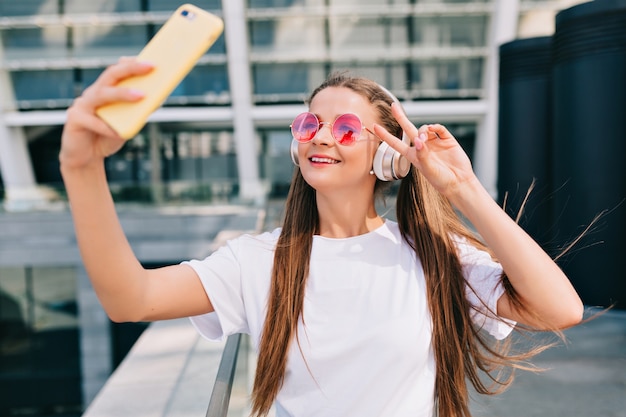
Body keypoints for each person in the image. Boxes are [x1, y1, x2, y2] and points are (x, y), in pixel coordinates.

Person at [59, 59, 584, 417]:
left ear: (384, 158)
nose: (324, 136)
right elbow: (131, 299)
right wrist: (81, 168)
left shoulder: (435, 256)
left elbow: (560, 308)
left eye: (348, 128)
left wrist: (463, 189)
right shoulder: (257, 260)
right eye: (311, 123)